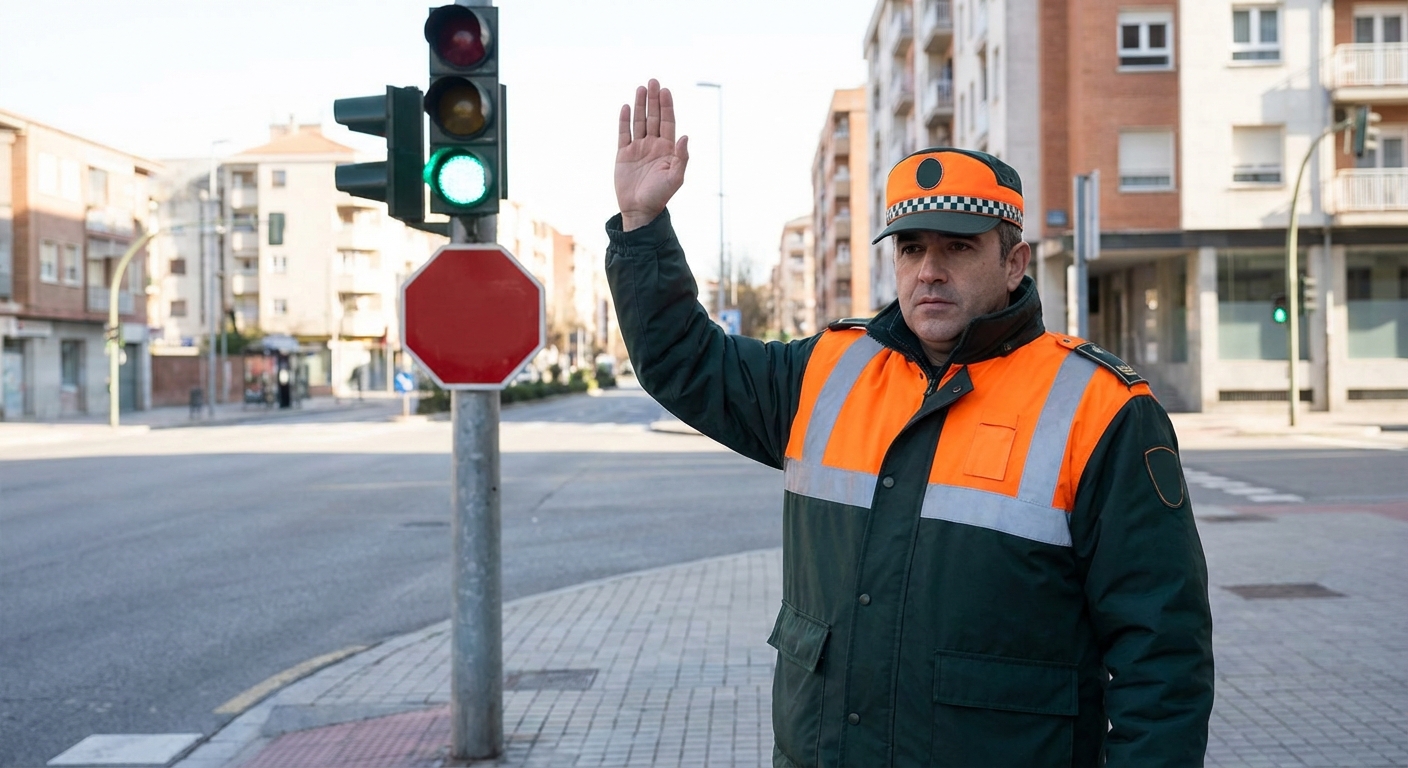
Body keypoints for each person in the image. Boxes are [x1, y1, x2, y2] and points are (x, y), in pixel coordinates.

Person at [605, 79, 1213, 768]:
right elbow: (684, 361)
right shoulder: (828, 371)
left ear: (1013, 263)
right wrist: (642, 227)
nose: (929, 271)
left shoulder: (1103, 409)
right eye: (911, 247)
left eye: (957, 249)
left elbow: (1162, 655)